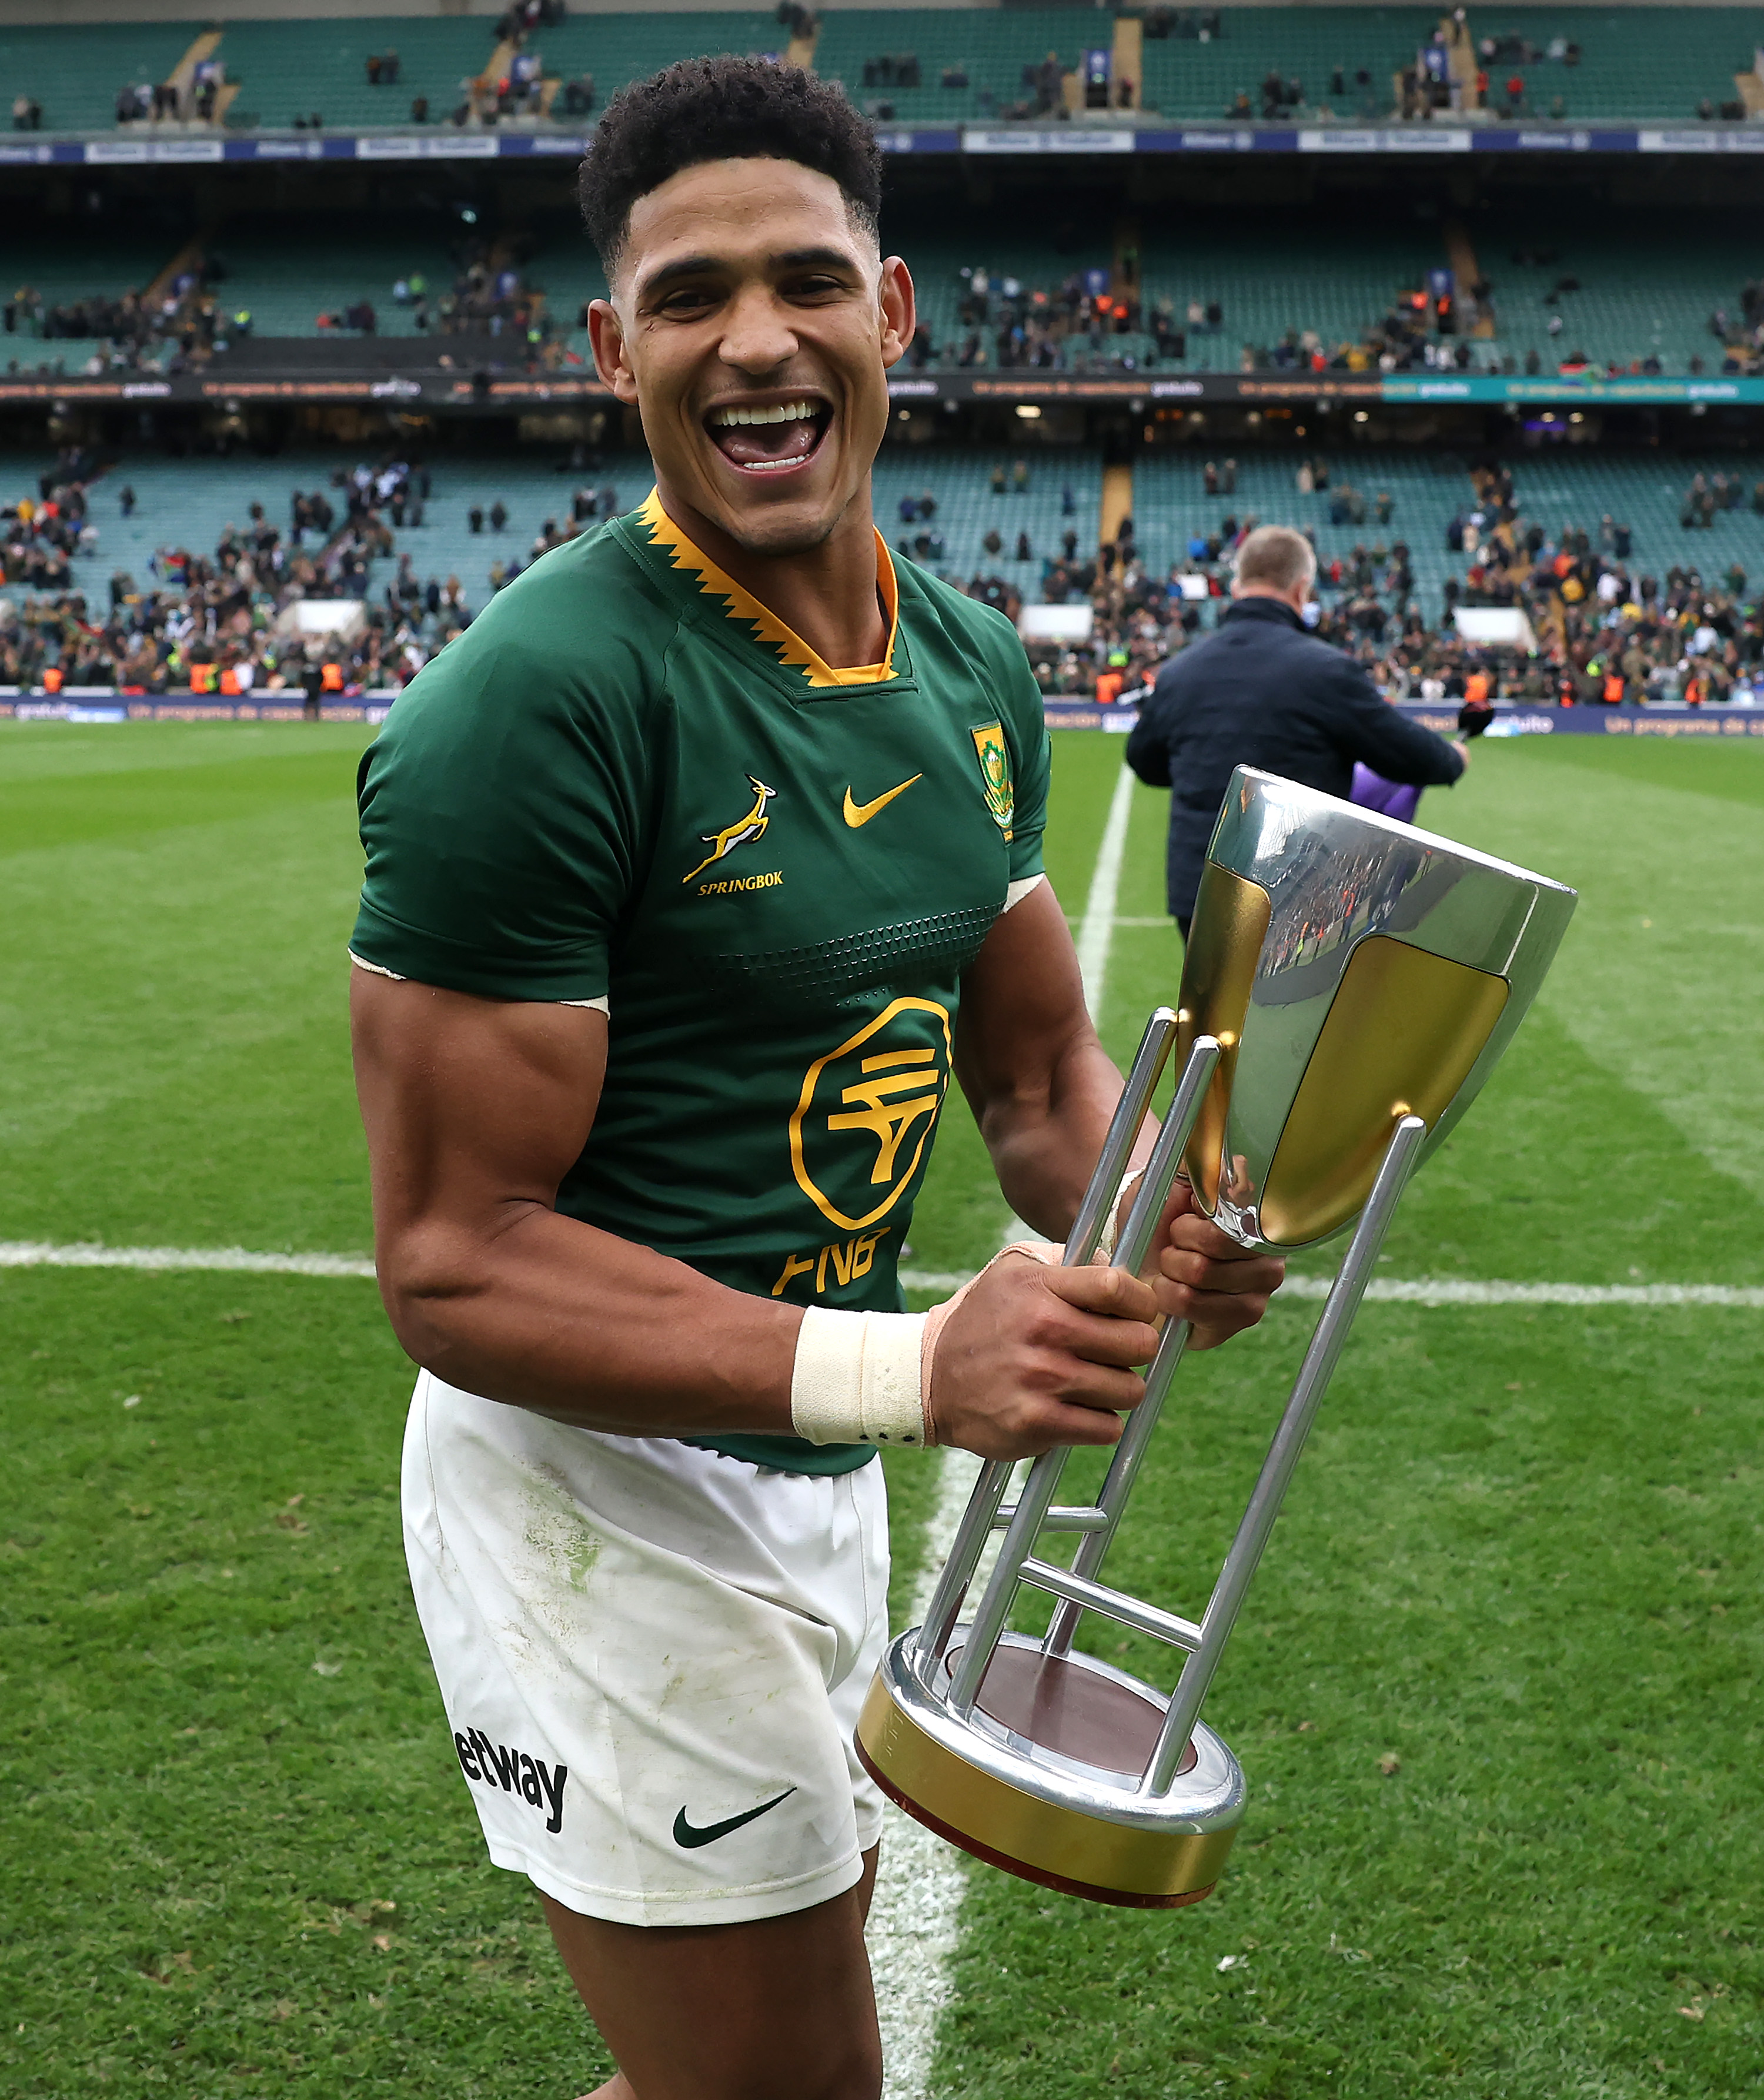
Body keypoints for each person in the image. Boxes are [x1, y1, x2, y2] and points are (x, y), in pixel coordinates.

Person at [348, 56, 1282, 2100]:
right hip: (598, 1488)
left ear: (897, 312)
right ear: (614, 348)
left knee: (733, 2064)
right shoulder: (530, 709)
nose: (755, 340)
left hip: (811, 1468)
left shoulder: (962, 667)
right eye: (688, 297)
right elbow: (452, 1260)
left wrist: (1168, 1214)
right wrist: (910, 1366)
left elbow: (1038, 1075)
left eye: (804, 280)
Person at [1125, 524, 1468, 937]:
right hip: (1293, 890)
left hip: (1200, 889)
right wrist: (1454, 758)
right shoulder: (1326, 671)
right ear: (1302, 589)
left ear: (1237, 584)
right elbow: (1410, 755)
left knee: (1208, 1003)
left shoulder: (1181, 671)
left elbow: (1144, 760)